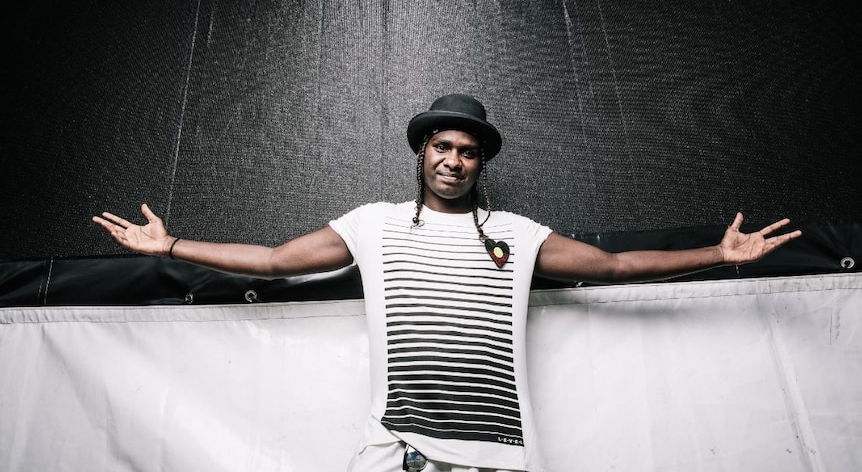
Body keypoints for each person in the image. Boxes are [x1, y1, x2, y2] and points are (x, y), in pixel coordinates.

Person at [93, 94, 801, 472]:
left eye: (467, 151)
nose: (455, 161)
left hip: (492, 455)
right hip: (396, 450)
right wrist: (173, 243)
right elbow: (279, 260)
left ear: (479, 164)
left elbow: (613, 267)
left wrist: (719, 253)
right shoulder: (373, 224)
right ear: (423, 152)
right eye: (443, 146)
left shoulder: (517, 235)